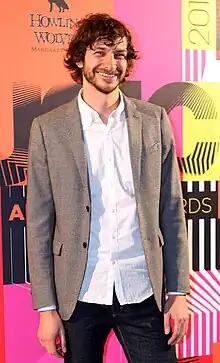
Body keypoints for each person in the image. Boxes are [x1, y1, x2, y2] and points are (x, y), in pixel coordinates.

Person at [27, 13, 190, 363]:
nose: (110, 63)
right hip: (79, 294)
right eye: (99, 52)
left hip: (143, 289)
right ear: (79, 58)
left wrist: (178, 292)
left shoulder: (154, 120)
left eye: (119, 54)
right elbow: (39, 223)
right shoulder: (48, 129)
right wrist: (46, 308)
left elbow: (172, 212)